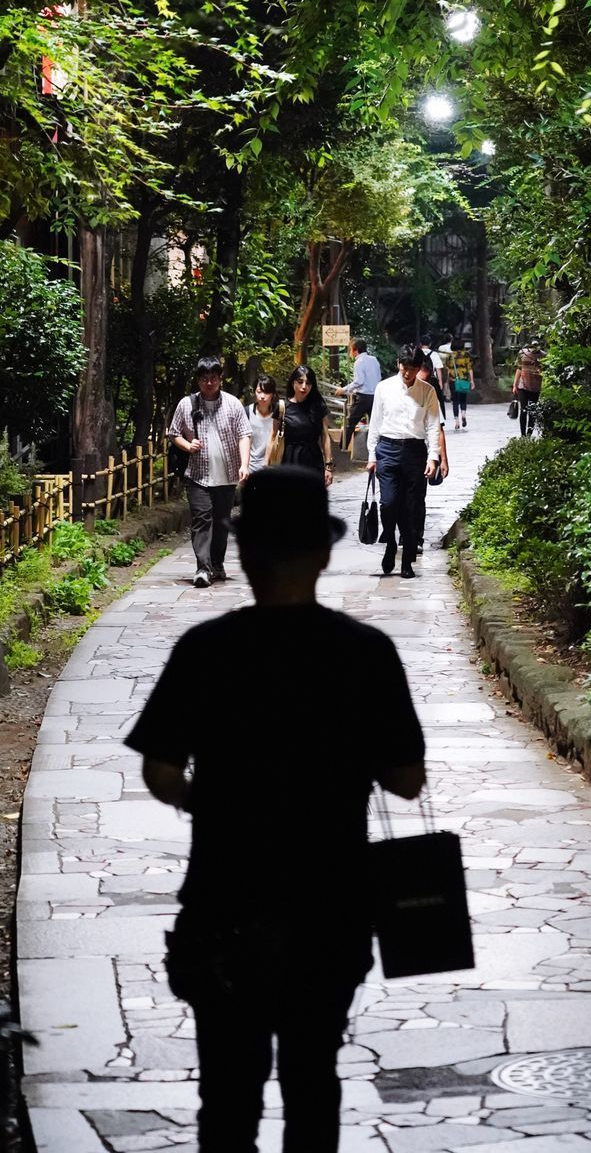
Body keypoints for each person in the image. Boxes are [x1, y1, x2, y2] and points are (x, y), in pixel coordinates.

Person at [125, 466, 426, 1153]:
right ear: (323, 553)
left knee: (226, 1097)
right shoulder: (364, 653)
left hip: (223, 905)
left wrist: (212, 801)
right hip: (332, 906)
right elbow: (407, 779)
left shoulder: (205, 651)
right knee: (312, 1082)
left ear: (243, 552)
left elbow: (161, 770)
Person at [168, 355, 251, 588]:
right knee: (202, 519)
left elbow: (245, 434)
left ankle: (217, 563)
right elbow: (174, 433)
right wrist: (187, 445)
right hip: (197, 474)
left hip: (226, 475)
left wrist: (244, 464)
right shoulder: (187, 404)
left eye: (213, 378)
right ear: (198, 380)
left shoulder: (233, 404)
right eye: (204, 379)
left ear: (220, 379)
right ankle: (203, 568)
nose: (209, 383)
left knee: (221, 521)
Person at [367, 344, 441, 579]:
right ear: (399, 364)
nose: (408, 373)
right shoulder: (384, 388)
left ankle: (407, 558)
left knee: (411, 507)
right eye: (405, 367)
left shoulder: (427, 391)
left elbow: (432, 426)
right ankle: (389, 540)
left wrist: (434, 456)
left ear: (420, 368)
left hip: (414, 451)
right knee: (388, 503)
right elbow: (375, 422)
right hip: (387, 449)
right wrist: (371, 455)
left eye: (413, 368)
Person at [268, 364, 334, 488]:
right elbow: (272, 437)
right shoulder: (282, 407)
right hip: (288, 460)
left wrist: (329, 466)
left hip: (312, 460)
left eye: (308, 383)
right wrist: (267, 466)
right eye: (300, 382)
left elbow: (325, 436)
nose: (304, 387)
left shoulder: (318, 406)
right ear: (293, 383)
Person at [414, 359, 450, 553]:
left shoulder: (430, 394)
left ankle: (416, 537)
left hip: (425, 453)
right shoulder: (394, 391)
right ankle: (405, 533)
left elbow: (439, 429)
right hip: (403, 450)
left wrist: (442, 459)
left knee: (418, 497)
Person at [335, 339, 382, 449]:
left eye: (350, 349)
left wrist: (343, 390)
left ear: (355, 350)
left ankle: (342, 448)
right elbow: (378, 377)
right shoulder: (374, 359)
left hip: (363, 398)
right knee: (375, 425)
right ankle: (376, 450)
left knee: (350, 423)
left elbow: (359, 381)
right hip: (375, 396)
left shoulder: (359, 362)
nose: (350, 352)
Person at [245, 374, 280, 474]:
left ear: (273, 394)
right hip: (250, 468)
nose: (262, 396)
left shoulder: (278, 414)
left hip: (272, 467)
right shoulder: (247, 412)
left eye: (267, 392)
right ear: (254, 392)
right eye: (259, 392)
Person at [512, 338, 544, 437]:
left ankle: (529, 434)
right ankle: (523, 435)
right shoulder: (522, 353)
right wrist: (515, 384)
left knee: (532, 411)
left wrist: (540, 371)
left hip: (535, 386)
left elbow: (545, 370)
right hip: (523, 385)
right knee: (523, 410)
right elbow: (519, 368)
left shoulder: (543, 355)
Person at [446, 338, 475, 431]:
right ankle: (463, 415)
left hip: (453, 381)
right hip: (464, 380)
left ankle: (457, 422)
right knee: (463, 400)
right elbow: (470, 368)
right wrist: (472, 381)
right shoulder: (467, 355)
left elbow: (448, 370)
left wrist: (446, 382)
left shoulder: (450, 356)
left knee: (455, 401)